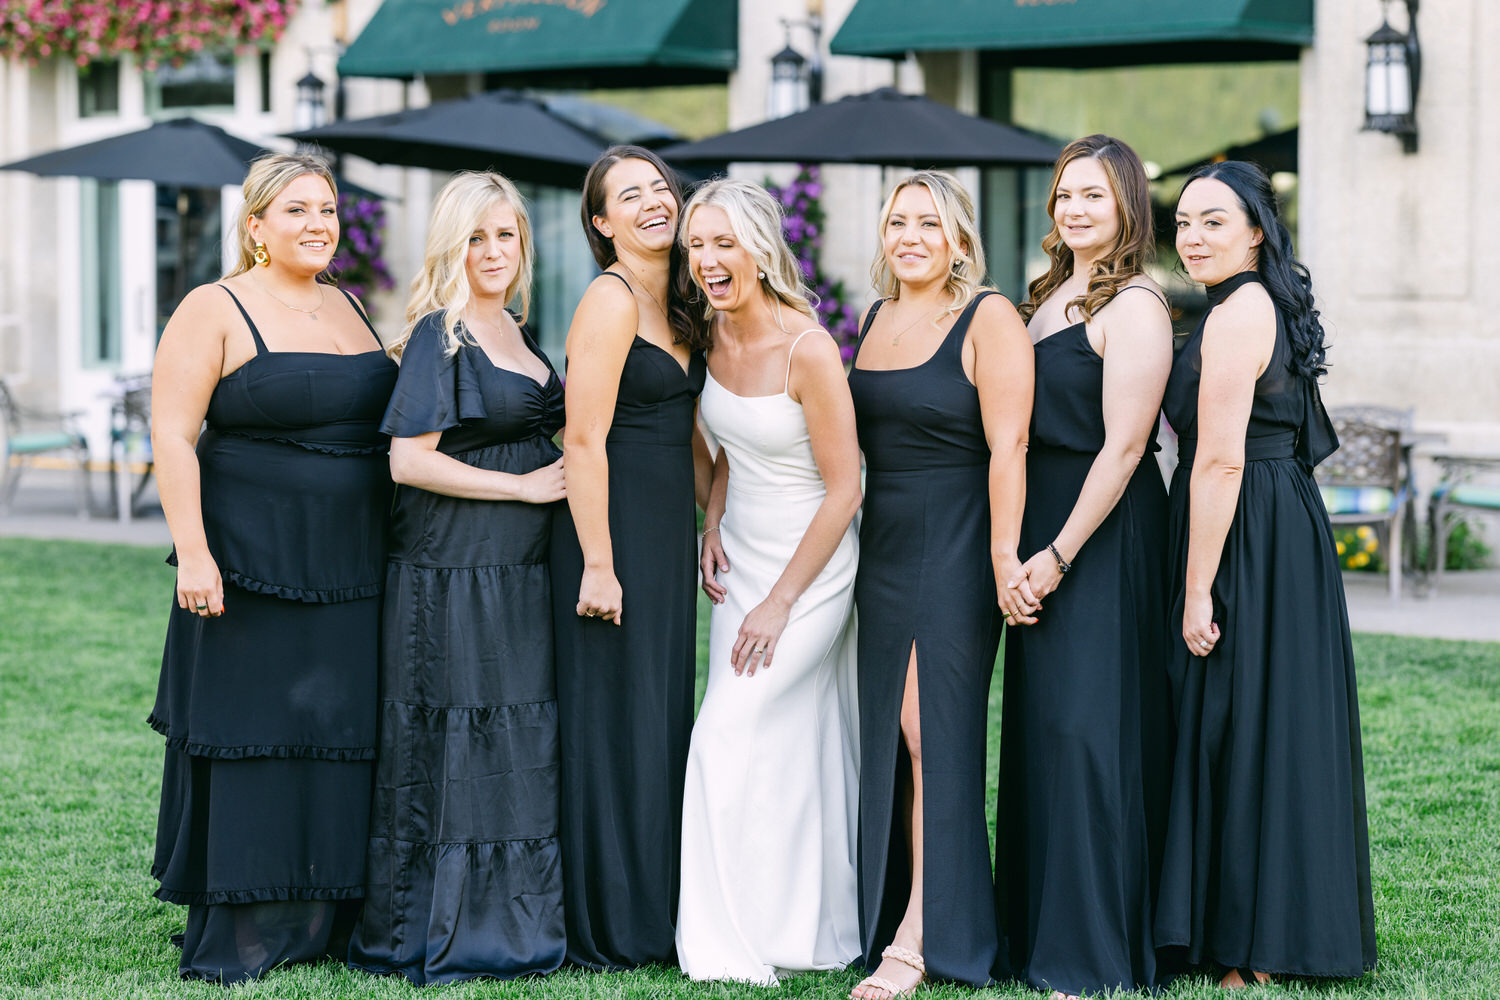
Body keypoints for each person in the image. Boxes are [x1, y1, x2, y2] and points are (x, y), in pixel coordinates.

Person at [147, 152, 396, 983]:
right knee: (256, 735)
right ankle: (251, 923)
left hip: (353, 566)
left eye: (326, 209)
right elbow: (173, 436)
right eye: (296, 211)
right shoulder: (212, 307)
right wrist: (194, 553)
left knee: (336, 734)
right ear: (255, 227)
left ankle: (329, 912)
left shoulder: (351, 305)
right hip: (248, 567)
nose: (318, 223)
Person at [1157, 160, 1377, 987]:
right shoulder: (1253, 304)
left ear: (1256, 230)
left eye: (1215, 220)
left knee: (1237, 720)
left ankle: (1248, 945)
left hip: (1243, 522)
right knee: (1264, 719)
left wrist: (1195, 586)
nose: (1193, 236)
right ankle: (1253, 930)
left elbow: (1215, 460)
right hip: (1274, 519)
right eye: (1183, 222)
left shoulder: (1239, 312)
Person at [347, 172, 566, 983]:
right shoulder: (442, 335)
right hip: (453, 570)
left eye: (506, 235)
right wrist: (522, 487)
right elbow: (409, 461)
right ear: (451, 244)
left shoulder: (517, 331)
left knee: (515, 735)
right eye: (476, 237)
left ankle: (520, 915)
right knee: (461, 738)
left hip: (516, 570)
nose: (494, 251)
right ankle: (454, 924)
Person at [846, 171, 1035, 998]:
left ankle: (924, 936)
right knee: (893, 738)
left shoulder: (989, 316)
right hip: (879, 553)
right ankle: (897, 910)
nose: (911, 236)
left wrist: (1002, 556)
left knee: (933, 736)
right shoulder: (873, 316)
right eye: (898, 221)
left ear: (960, 238)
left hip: (956, 549)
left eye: (929, 223)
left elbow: (1011, 446)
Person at [995, 134, 1173, 999]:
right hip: (1039, 535)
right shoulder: (1046, 295)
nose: (1073, 209)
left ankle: (1091, 954)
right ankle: (1036, 937)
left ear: (1127, 206)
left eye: (1093, 196)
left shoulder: (1135, 303)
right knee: (1044, 732)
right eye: (1065, 194)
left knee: (1089, 736)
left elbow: (1129, 446)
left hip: (1102, 538)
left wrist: (1058, 555)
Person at [676, 179, 863, 985]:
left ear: (760, 248)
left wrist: (781, 602)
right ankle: (792, 924)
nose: (708, 261)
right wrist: (712, 520)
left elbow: (846, 485)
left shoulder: (808, 349)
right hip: (741, 557)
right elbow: (729, 454)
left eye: (723, 243)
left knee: (725, 733)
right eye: (695, 246)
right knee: (783, 746)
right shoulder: (709, 337)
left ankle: (722, 941)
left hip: (811, 566)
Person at [549, 145, 711, 969]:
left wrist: (710, 519)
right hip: (606, 540)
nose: (654, 202)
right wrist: (599, 561)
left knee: (656, 717)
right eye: (631, 196)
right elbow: (582, 438)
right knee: (609, 724)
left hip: (662, 538)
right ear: (602, 223)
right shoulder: (610, 301)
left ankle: (655, 904)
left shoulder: (683, 301)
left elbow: (689, 438)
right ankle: (607, 921)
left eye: (661, 188)